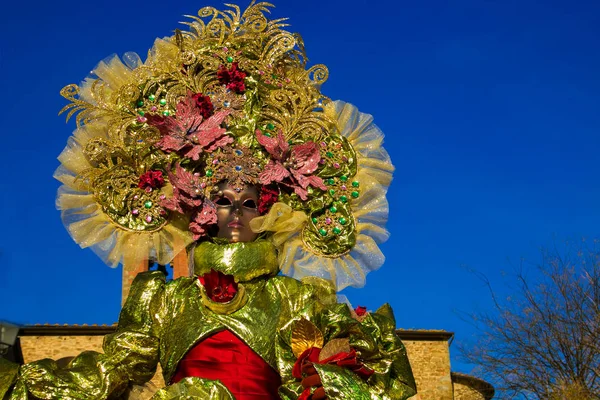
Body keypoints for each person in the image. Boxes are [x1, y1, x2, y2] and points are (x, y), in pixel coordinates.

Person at [0, 3, 417, 399]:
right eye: (223, 199)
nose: (236, 211)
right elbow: (118, 366)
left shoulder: (297, 297)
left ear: (269, 210)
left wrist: (349, 359)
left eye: (249, 202)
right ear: (203, 209)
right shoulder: (165, 298)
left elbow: (357, 365)